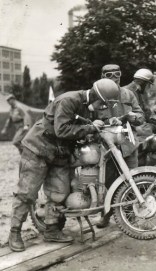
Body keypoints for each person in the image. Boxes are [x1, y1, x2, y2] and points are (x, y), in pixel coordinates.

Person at [8, 78, 119, 252]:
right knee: (27, 193)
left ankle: (52, 229)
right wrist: (90, 128)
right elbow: (62, 130)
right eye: (102, 105)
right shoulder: (69, 100)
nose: (102, 109)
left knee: (59, 192)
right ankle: (14, 233)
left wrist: (103, 126)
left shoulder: (87, 107)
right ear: (97, 98)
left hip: (59, 152)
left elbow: (80, 130)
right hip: (38, 147)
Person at [95, 64, 145, 228]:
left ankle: (130, 215)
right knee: (107, 182)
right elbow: (91, 118)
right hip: (106, 146)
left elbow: (140, 116)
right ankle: (106, 214)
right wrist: (106, 122)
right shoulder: (97, 95)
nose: (114, 77)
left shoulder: (128, 94)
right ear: (102, 76)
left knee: (132, 179)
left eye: (117, 74)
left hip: (128, 144)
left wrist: (134, 117)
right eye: (109, 75)